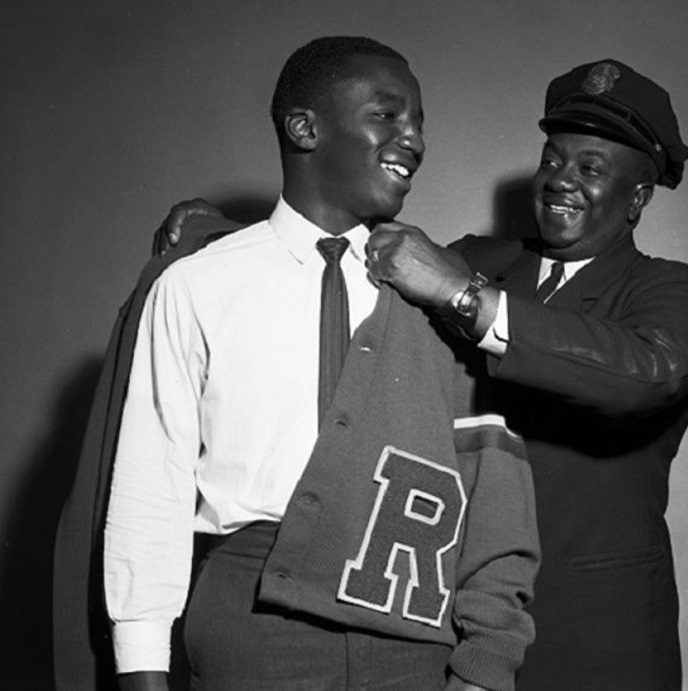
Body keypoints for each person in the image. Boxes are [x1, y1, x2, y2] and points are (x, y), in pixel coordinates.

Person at [164, 59, 688, 690]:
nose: (560, 180)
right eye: (551, 160)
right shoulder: (483, 259)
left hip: (592, 635)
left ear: (638, 198)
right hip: (448, 625)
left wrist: (463, 295)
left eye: (589, 168)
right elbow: (346, 274)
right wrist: (230, 237)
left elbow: (646, 371)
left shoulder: (670, 290)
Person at [52, 37, 539, 691]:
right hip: (249, 618)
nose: (414, 139)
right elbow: (151, 488)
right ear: (305, 127)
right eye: (389, 115)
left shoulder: (446, 291)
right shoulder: (197, 283)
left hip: (407, 616)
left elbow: (492, 489)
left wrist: (485, 665)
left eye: (420, 122)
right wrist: (143, 668)